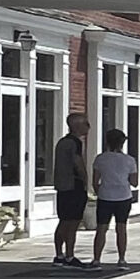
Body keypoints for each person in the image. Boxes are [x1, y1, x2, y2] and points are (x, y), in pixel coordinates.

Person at [88, 127, 139, 267]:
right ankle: (121, 259)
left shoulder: (100, 159)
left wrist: (101, 191)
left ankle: (97, 259)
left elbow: (95, 181)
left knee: (101, 228)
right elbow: (134, 182)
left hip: (105, 196)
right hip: (123, 196)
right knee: (121, 228)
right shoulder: (129, 160)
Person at [51, 111, 91, 267]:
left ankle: (59, 254)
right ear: (77, 126)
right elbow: (77, 163)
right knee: (73, 222)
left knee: (63, 221)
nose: (88, 127)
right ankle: (69, 255)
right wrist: (85, 179)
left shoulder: (62, 142)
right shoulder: (75, 143)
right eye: (86, 124)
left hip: (62, 186)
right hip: (73, 185)